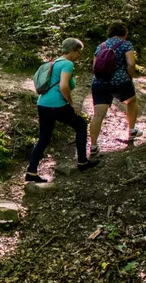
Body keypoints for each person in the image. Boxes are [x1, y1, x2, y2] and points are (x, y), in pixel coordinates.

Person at [26, 38, 100, 183]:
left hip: (43, 104)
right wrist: (71, 104)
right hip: (57, 104)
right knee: (81, 125)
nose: (80, 55)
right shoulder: (67, 64)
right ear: (71, 50)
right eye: (79, 52)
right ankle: (82, 162)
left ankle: (31, 171)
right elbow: (64, 86)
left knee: (44, 138)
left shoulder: (52, 63)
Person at [88, 22, 143, 152]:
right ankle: (132, 130)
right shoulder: (126, 44)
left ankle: (93, 146)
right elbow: (130, 63)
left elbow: (95, 67)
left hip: (99, 83)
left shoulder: (100, 46)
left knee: (98, 115)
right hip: (120, 81)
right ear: (124, 33)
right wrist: (130, 77)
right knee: (132, 101)